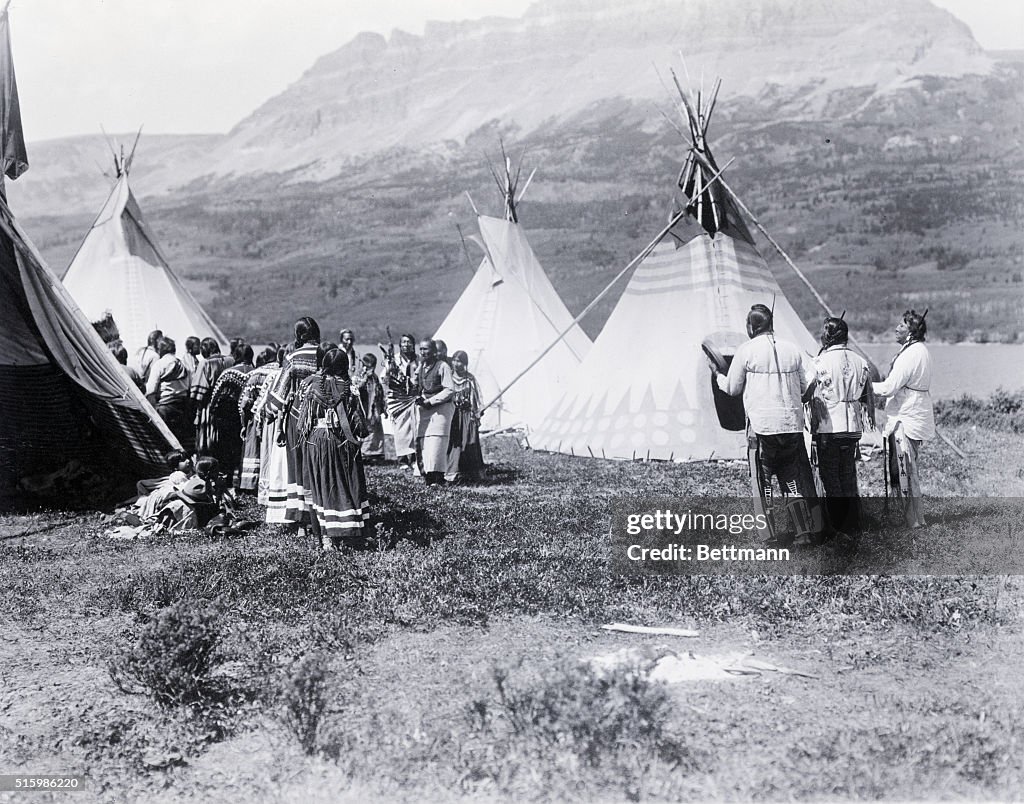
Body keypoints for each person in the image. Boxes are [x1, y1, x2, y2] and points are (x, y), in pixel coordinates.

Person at [713, 304, 822, 546]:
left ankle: (769, 535)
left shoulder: (747, 351)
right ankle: (802, 532)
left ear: (752, 327)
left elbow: (732, 388)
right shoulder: (792, 350)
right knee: (792, 481)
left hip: (762, 430)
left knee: (763, 484)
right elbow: (807, 387)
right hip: (791, 426)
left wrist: (718, 375)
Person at [296, 348, 369, 550]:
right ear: (344, 366)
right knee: (344, 483)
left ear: (325, 364)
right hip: (342, 441)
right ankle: (348, 532)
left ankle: (325, 535)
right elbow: (361, 427)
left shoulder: (311, 385)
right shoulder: (350, 388)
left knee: (321, 485)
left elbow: (302, 424)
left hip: (317, 441)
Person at [872, 309, 934, 528]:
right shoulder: (920, 350)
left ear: (911, 332)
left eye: (901, 325)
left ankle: (913, 521)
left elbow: (889, 387)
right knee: (910, 467)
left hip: (907, 417)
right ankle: (918, 518)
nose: (896, 328)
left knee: (905, 468)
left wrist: (863, 387)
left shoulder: (910, 354)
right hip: (914, 413)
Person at [811, 316, 873, 534]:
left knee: (830, 474)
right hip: (853, 425)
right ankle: (852, 520)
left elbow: (809, 391)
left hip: (830, 425)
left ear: (828, 335)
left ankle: (838, 524)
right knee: (847, 471)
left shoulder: (820, 362)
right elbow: (865, 394)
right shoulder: (861, 361)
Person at [267, 317, 322, 532]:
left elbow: (281, 392)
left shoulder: (293, 357)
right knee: (318, 466)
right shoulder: (326, 353)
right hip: (321, 416)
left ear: (298, 335)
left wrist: (267, 414)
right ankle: (321, 513)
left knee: (298, 467)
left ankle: (302, 519)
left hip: (297, 417)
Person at [204, 345, 255, 487]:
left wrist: (213, 413)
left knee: (226, 449)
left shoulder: (228, 374)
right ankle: (244, 480)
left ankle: (227, 479)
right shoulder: (256, 373)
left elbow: (215, 396)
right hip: (248, 418)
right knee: (243, 449)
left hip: (227, 417)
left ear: (236, 356)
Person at [237, 350, 281, 493]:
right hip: (273, 417)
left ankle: (252, 485)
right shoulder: (280, 372)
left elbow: (245, 402)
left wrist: (243, 423)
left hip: (256, 417)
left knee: (254, 452)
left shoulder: (256, 374)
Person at [415, 339, 456, 486]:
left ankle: (438, 477)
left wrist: (431, 401)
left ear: (433, 351)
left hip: (441, 410)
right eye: (421, 349)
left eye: (426, 349)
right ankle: (428, 476)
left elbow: (450, 389)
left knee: (437, 443)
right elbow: (417, 385)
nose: (423, 352)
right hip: (425, 410)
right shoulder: (421, 367)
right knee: (425, 443)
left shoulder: (442, 366)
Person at [446, 351, 485, 483]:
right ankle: (453, 472)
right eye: (455, 361)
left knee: (469, 442)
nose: (457, 364)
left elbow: (478, 397)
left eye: (460, 361)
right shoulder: (448, 377)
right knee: (454, 444)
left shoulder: (470, 379)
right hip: (453, 416)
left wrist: (479, 410)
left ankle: (470, 473)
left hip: (468, 416)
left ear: (465, 364)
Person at [145, 336, 191, 446]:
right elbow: (188, 386)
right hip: (182, 407)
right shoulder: (183, 364)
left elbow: (151, 390)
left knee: (165, 443)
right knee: (181, 442)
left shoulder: (159, 365)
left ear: (160, 349)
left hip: (165, 408)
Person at [383, 333, 419, 470]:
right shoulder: (394, 359)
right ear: (399, 344)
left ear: (413, 344)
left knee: (414, 428)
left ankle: (415, 457)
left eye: (409, 342)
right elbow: (385, 378)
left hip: (413, 397)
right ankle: (402, 459)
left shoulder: (418, 360)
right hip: (398, 399)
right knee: (400, 430)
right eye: (403, 342)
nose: (406, 345)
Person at [191, 338, 233, 454]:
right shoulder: (231, 360)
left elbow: (198, 390)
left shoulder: (205, 363)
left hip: (210, 406)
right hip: (229, 406)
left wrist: (197, 410)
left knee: (209, 439)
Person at [356, 352, 386, 461]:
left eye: (373, 366)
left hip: (374, 410)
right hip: (364, 408)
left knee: (376, 430)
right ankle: (365, 452)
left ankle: (376, 453)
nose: (371, 369)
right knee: (367, 430)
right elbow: (356, 389)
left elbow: (379, 392)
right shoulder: (360, 375)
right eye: (369, 366)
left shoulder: (375, 377)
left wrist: (382, 407)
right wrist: (363, 380)